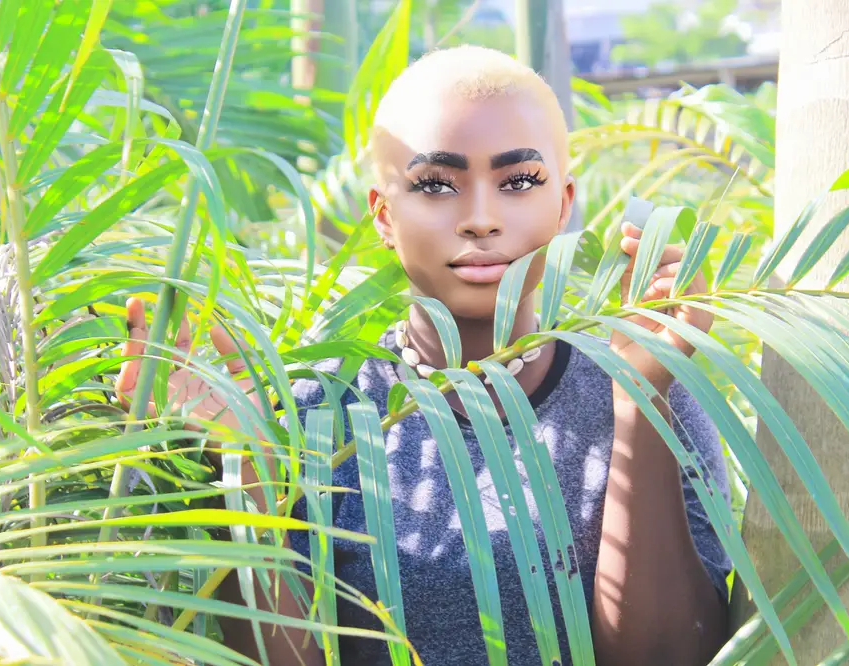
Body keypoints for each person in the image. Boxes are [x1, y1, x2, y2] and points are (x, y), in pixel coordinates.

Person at [116, 45, 731, 666]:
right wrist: (243, 471)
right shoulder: (316, 411)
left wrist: (641, 397)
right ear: (384, 216)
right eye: (437, 185)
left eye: (518, 181)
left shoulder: (653, 385)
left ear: (563, 202)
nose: (481, 219)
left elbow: (673, 656)